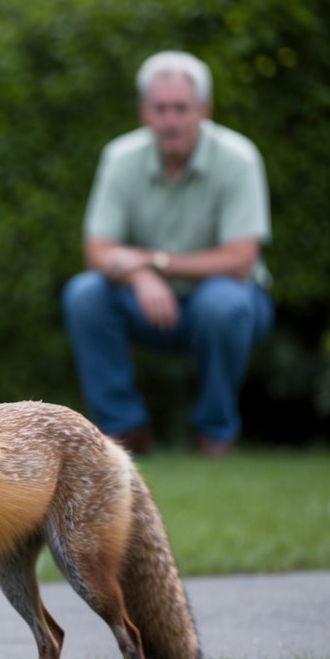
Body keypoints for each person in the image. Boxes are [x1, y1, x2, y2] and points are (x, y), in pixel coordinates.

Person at [62, 50, 275, 457]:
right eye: (160, 109)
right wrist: (141, 276)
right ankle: (124, 432)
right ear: (145, 111)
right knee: (85, 293)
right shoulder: (120, 157)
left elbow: (241, 260)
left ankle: (215, 433)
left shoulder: (239, 158)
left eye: (181, 108)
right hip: (142, 301)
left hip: (230, 301)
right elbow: (97, 250)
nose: (170, 120)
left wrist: (153, 262)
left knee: (223, 303)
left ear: (203, 110)